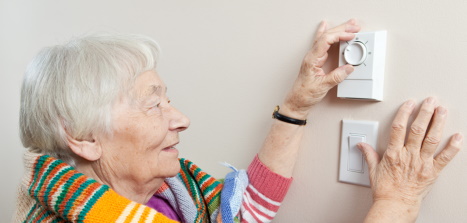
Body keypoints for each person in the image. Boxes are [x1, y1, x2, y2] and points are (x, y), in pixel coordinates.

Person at [13, 19, 462, 222]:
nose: (182, 119)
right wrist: (398, 204)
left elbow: (243, 212)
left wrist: (297, 106)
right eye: (154, 105)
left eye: (170, 100)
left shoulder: (170, 193)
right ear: (82, 137)